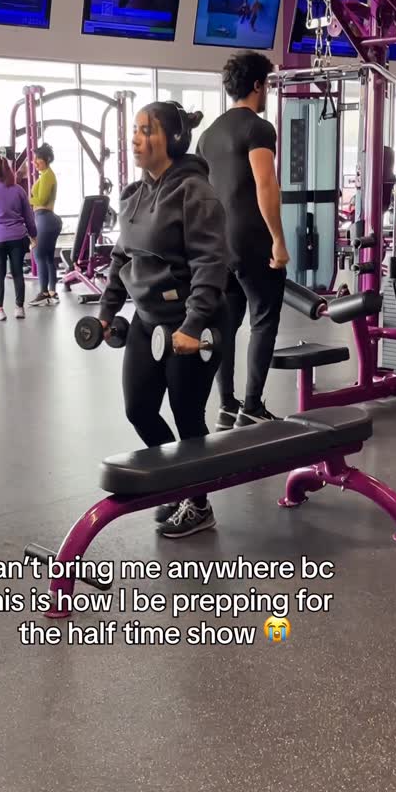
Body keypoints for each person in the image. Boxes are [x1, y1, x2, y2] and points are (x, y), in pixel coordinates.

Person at [98, 101, 227, 539]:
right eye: (134, 130)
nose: (135, 139)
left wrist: (194, 325)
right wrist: (107, 312)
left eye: (145, 130)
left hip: (192, 322)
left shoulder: (195, 192)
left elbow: (210, 263)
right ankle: (179, 480)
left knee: (187, 415)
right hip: (147, 319)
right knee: (139, 408)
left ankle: (199, 503)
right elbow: (122, 257)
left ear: (172, 139)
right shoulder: (134, 194)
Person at [198, 51, 289, 429]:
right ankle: (252, 406)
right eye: (266, 84)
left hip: (219, 244)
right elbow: (265, 184)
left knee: (226, 324)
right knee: (264, 320)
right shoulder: (258, 128)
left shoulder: (208, 136)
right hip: (252, 240)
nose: (267, 91)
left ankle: (226, 404)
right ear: (256, 85)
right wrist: (278, 239)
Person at [0, 156, 37, 321]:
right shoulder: (18, 190)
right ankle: (19, 308)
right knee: (18, 273)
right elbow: (29, 216)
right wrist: (33, 234)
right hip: (18, 237)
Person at [29, 143, 62, 307]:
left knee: (39, 255)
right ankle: (52, 292)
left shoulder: (47, 176)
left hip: (44, 218)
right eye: (34, 159)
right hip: (48, 219)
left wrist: (26, 199)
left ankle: (43, 292)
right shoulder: (46, 175)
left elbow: (41, 200)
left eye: (38, 159)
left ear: (46, 159)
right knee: (48, 257)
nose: (34, 162)